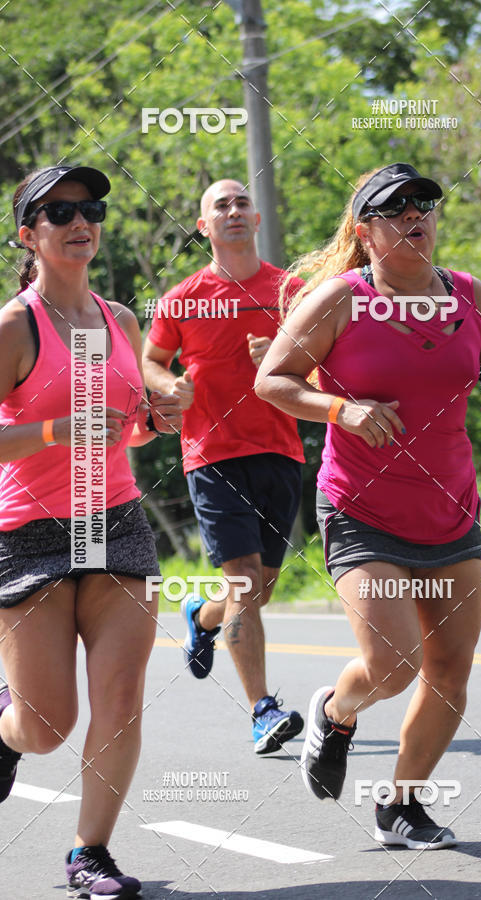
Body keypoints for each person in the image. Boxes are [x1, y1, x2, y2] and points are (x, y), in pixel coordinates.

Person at [255, 162, 481, 847]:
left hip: (450, 509)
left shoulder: (471, 295)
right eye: (396, 208)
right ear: (365, 231)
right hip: (362, 508)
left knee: (449, 674)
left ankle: (401, 805)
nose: (416, 216)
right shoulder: (338, 300)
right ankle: (336, 709)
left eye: (425, 206)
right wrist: (341, 411)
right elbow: (272, 382)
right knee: (394, 662)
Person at [0, 164, 182, 898]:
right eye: (60, 212)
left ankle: (91, 854)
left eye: (91, 209)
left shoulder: (120, 322)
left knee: (121, 695)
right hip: (29, 533)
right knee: (46, 725)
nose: (82, 222)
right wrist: (54, 428)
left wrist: (157, 421)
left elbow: (129, 430)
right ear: (29, 235)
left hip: (116, 523)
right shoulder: (14, 326)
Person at [142, 178, 306, 755]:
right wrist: (171, 388)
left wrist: (287, 359)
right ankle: (263, 710)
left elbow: (324, 370)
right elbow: (151, 361)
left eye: (242, 203)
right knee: (243, 579)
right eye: (221, 206)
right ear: (203, 226)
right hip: (211, 454)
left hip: (280, 452)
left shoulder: (294, 291)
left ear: (257, 220)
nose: (233, 211)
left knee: (258, 587)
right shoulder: (182, 298)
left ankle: (201, 617)